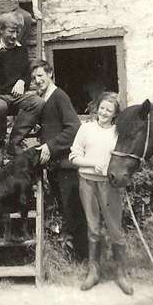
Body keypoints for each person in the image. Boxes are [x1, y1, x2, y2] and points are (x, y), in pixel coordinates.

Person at [69, 91, 134, 295]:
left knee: (116, 230)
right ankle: (93, 272)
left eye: (109, 110)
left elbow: (125, 159)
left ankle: (121, 274)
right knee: (93, 229)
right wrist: (93, 163)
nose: (104, 112)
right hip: (87, 184)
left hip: (109, 186)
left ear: (115, 114)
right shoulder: (86, 129)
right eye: (102, 108)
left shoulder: (117, 133)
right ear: (97, 108)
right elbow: (74, 157)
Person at [0, 11, 44, 167]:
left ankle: (14, 142)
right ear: (1, 30)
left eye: (17, 32)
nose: (15, 36)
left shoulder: (21, 49)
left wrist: (22, 81)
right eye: (11, 31)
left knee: (37, 102)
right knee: (0, 106)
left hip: (13, 97)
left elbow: (26, 73)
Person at [30, 60, 87, 262]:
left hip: (66, 166)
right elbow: (55, 127)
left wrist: (49, 146)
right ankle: (75, 257)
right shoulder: (44, 98)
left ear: (50, 74)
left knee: (74, 212)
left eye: (40, 76)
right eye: (34, 77)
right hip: (55, 166)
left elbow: (74, 128)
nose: (37, 81)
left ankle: (84, 258)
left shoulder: (59, 96)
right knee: (66, 210)